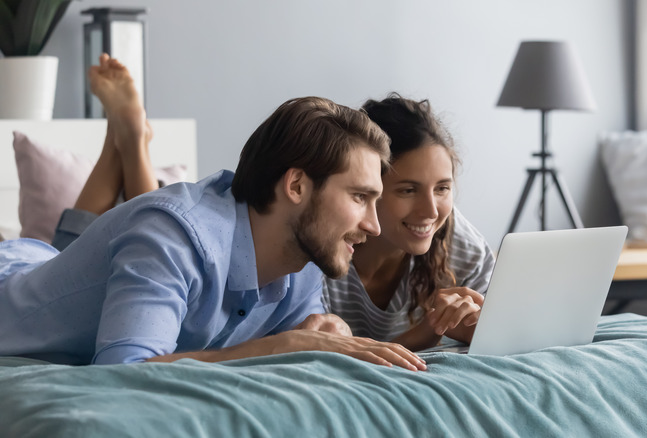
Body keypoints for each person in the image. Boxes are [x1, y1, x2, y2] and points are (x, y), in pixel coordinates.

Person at [0, 55, 427, 371]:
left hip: (61, 272)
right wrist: (280, 346)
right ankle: (128, 139)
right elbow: (122, 374)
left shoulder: (308, 252)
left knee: (68, 254)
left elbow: (305, 343)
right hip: (12, 285)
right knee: (65, 254)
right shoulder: (172, 235)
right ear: (296, 185)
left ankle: (123, 138)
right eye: (359, 198)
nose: (374, 225)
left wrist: (328, 333)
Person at [321, 94, 496, 352]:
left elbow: (505, 335)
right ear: (366, 189)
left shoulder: (460, 244)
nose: (431, 211)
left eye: (442, 189)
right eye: (408, 190)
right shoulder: (320, 252)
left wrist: (477, 328)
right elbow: (317, 362)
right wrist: (429, 332)